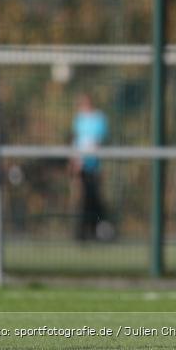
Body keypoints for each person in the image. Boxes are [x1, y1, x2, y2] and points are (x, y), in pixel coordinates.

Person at [71, 93, 112, 241]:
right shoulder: (78, 119)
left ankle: (100, 231)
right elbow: (76, 141)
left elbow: (99, 141)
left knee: (95, 199)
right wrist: (75, 161)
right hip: (81, 167)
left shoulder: (99, 119)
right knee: (83, 200)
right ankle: (82, 233)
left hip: (95, 167)